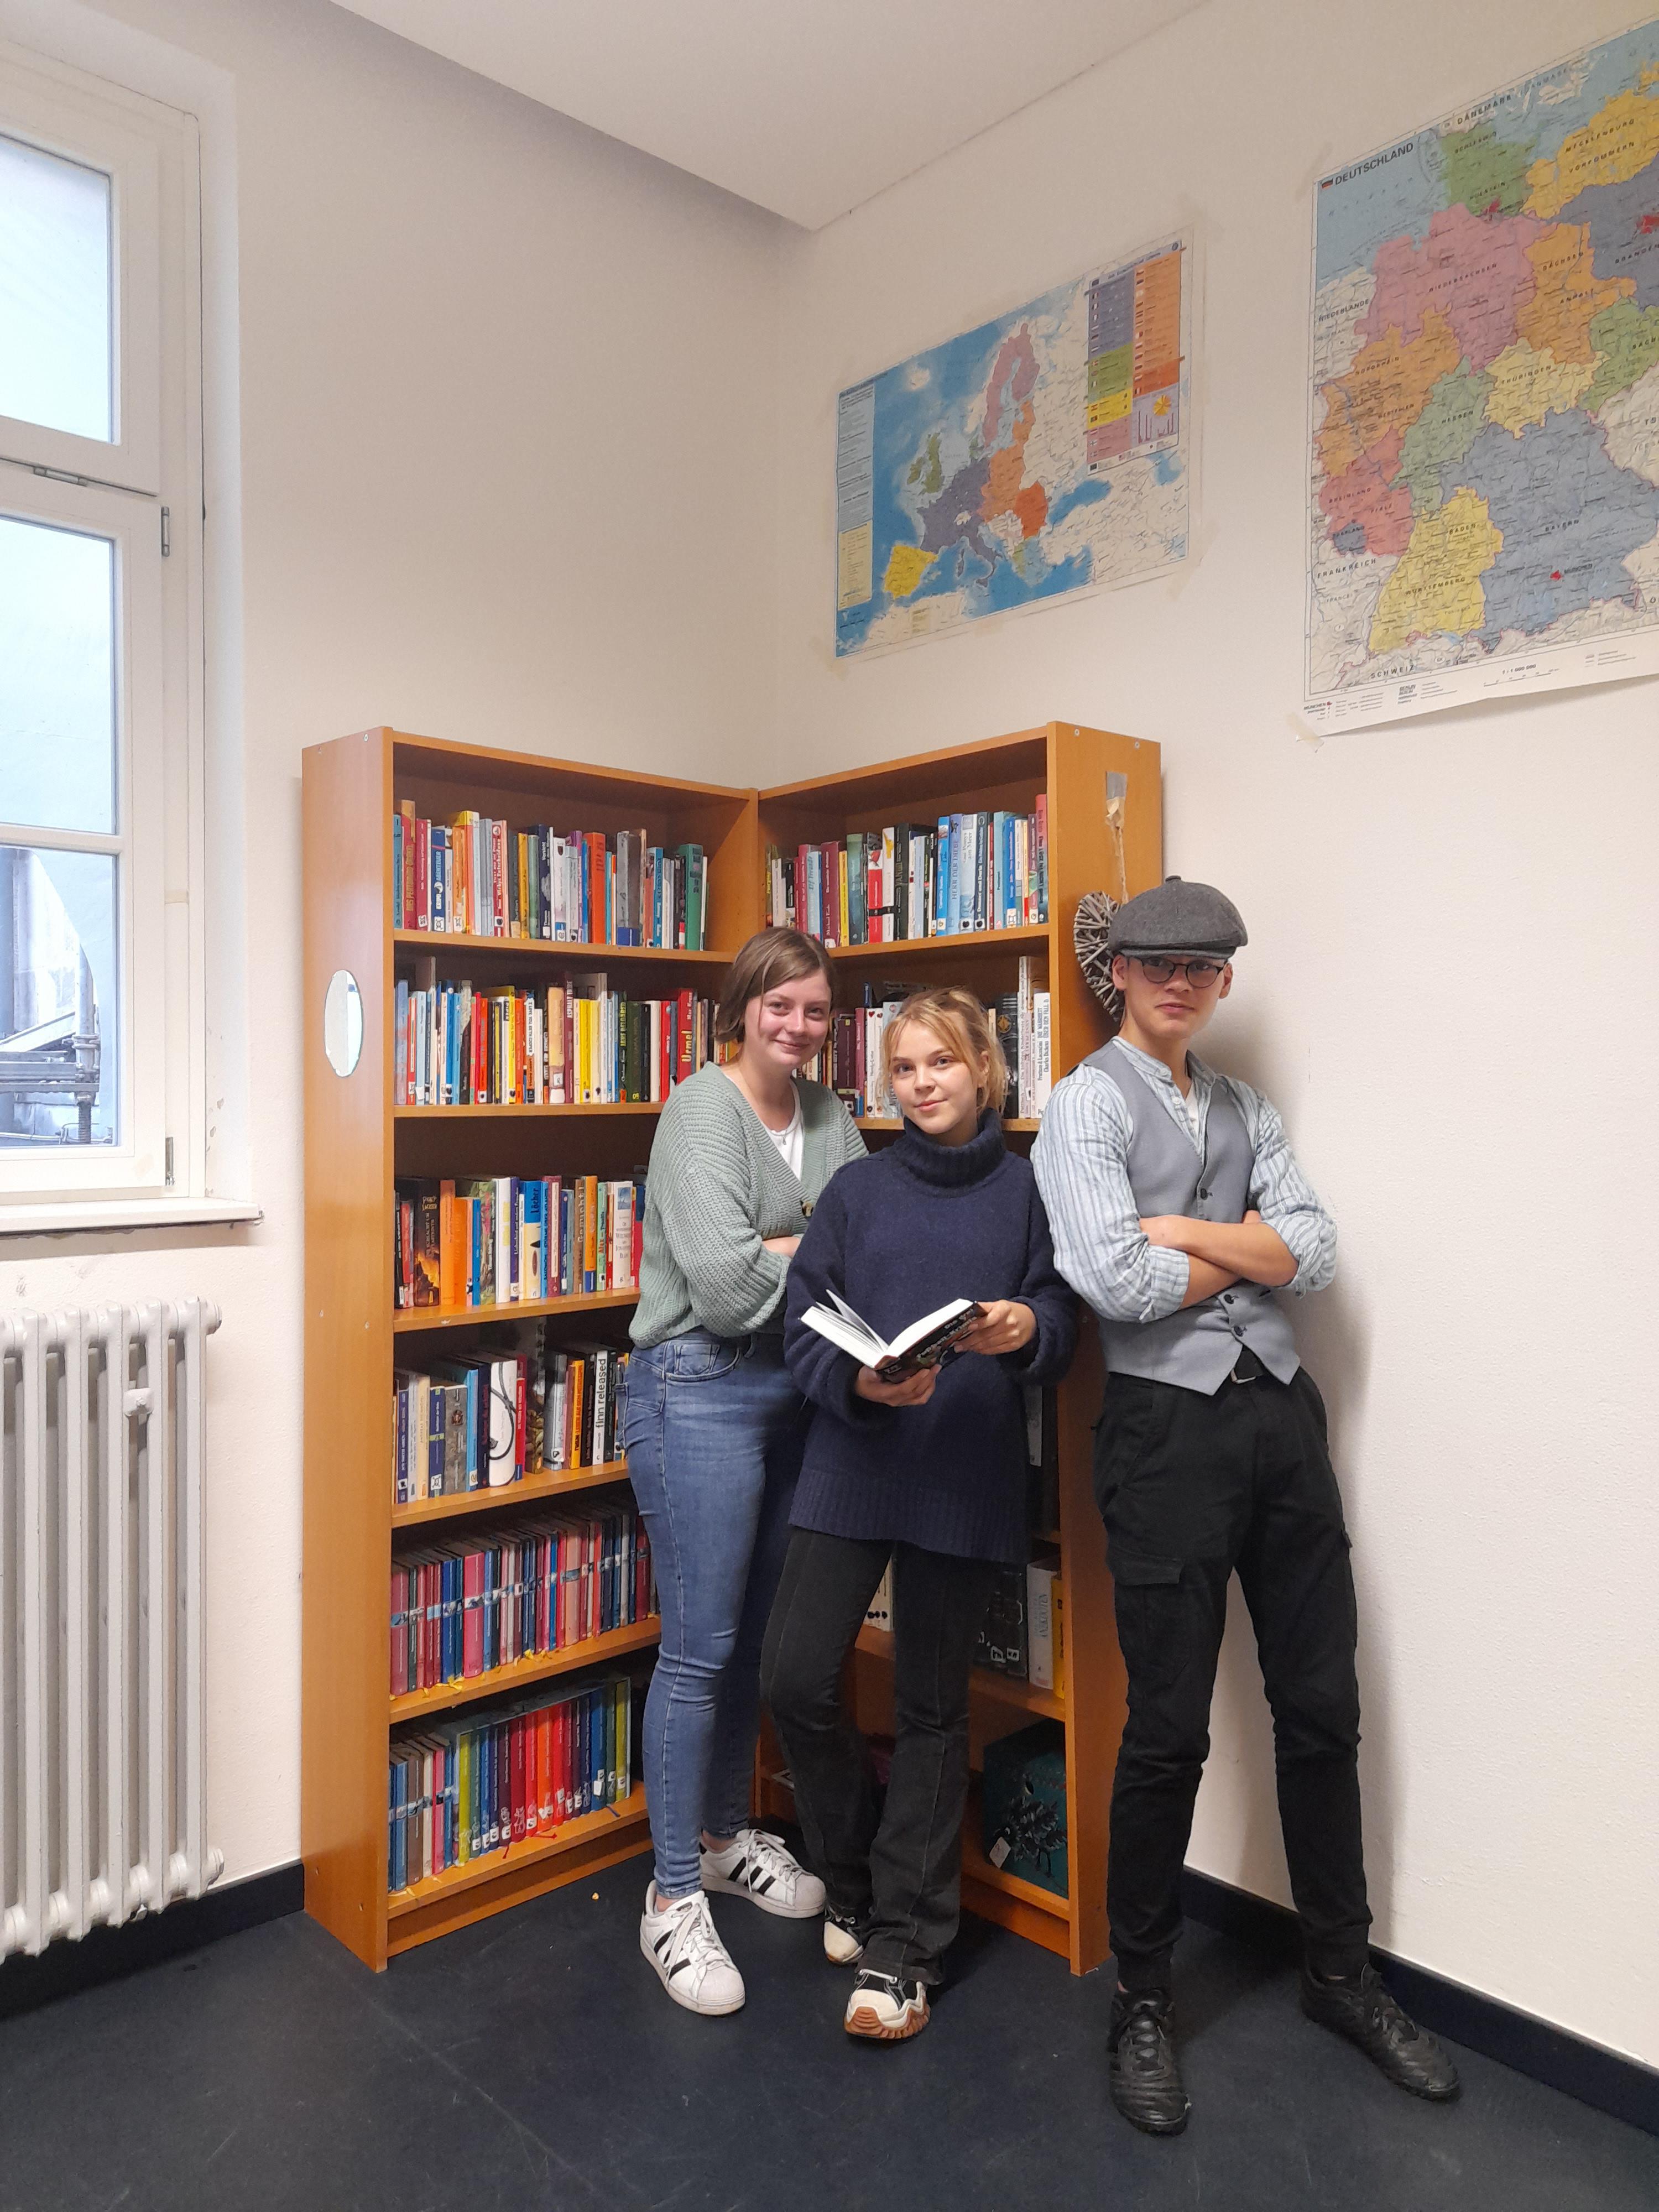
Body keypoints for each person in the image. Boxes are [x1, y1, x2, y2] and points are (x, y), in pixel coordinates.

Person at [1031, 878, 1459, 2131]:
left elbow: (1313, 1251)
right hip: (1164, 1434)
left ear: (1224, 980)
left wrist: (1183, 1229)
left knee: (1321, 1706)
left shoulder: (1244, 1104)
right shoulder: (1082, 1105)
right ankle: (1143, 1999)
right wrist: (1241, 1242)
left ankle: (1339, 1970)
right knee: (1168, 1729)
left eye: (1204, 966)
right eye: (1158, 963)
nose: (1180, 982)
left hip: (1281, 1419)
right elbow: (1115, 1282)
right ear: (1121, 974)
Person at [763, 987, 1076, 2041]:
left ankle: (905, 1950)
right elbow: (805, 1325)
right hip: (853, 1459)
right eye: (904, 1068)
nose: (922, 1084)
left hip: (963, 1472)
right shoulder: (857, 1189)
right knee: (794, 1677)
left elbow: (1061, 1322)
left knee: (935, 1710)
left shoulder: (1025, 1193)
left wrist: (1024, 1326)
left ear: (984, 1069)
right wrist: (860, 1384)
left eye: (941, 1062)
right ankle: (853, 1878)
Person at [623, 926, 866, 2016]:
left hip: (799, 1393)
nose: (798, 1026)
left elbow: (868, 1252)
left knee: (757, 1640)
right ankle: (672, 1896)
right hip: (699, 1386)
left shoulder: (829, 1116)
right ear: (742, 1008)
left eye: (816, 1009)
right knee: (700, 1648)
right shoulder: (699, 1111)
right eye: (780, 1005)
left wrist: (779, 1248)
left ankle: (724, 1839)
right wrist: (805, 1250)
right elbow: (722, 1292)